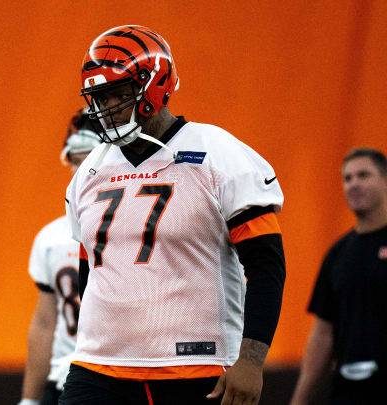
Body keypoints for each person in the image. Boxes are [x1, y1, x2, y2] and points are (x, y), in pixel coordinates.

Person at [59, 25, 287, 405]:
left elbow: (266, 265)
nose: (108, 107)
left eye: (118, 93)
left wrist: (251, 360)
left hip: (196, 366)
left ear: (154, 85)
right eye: (100, 96)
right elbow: (92, 271)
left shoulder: (218, 153)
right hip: (98, 368)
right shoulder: (90, 170)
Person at [290, 148, 387, 405]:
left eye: (363, 175)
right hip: (349, 392)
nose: (354, 184)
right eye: (348, 178)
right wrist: (300, 399)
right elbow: (323, 333)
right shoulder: (338, 253)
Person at [19, 109, 104, 405]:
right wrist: (29, 400)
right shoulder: (52, 238)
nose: (82, 172)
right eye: (76, 162)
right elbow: (44, 323)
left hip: (125, 376)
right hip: (67, 380)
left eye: (91, 160)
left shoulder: (139, 228)